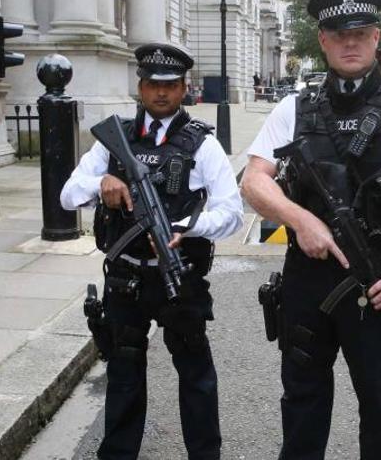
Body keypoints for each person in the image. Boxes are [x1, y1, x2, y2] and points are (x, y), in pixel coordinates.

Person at [240, 0, 381, 459]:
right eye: (339, 34)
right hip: (307, 281)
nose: (351, 43)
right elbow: (254, 181)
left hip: (378, 281)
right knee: (302, 404)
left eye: (360, 32)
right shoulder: (294, 107)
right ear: (323, 40)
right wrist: (300, 219)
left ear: (377, 37)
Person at [60, 43, 244, 460]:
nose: (161, 93)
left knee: (196, 374)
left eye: (171, 85)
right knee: (124, 372)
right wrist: (102, 185)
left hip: (179, 275)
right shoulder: (113, 140)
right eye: (152, 85)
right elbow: (68, 196)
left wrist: (189, 227)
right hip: (126, 277)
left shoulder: (202, 145)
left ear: (184, 89)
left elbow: (231, 213)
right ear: (140, 87)